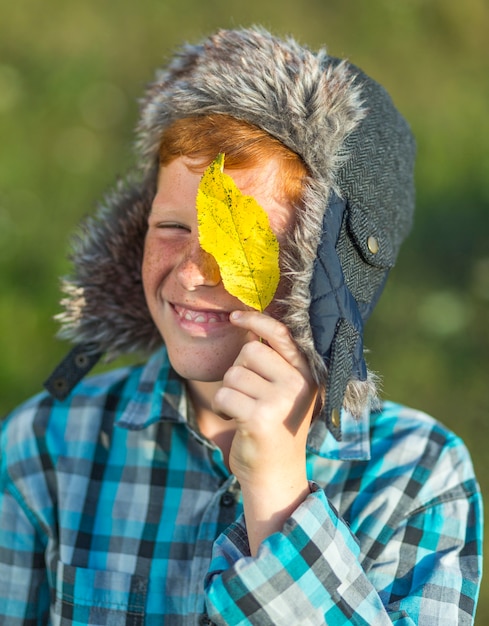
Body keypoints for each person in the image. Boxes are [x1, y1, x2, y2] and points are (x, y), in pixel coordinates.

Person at [0, 27, 482, 625]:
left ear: (330, 276)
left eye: (242, 244)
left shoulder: (416, 476)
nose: (195, 273)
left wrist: (279, 497)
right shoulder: (45, 450)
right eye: (172, 228)